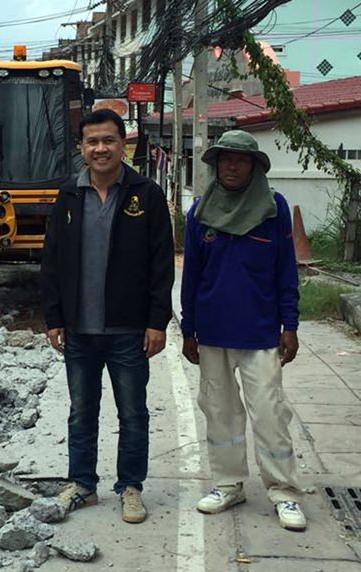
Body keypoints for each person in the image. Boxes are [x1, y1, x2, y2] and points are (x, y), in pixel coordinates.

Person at [41, 108, 174, 523]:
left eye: (109, 141)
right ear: (82, 147)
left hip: (128, 330)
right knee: (82, 411)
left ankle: (131, 486)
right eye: (92, 142)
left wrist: (157, 321)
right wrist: (54, 318)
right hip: (80, 329)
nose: (101, 149)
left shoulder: (145, 194)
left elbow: (161, 264)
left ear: (123, 144)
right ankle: (82, 484)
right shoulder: (68, 195)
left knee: (133, 411)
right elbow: (52, 262)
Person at [180, 130, 306, 531]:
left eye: (240, 159)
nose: (231, 166)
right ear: (215, 166)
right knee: (219, 412)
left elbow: (286, 269)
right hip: (213, 331)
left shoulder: (274, 208)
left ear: (254, 166)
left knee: (270, 413)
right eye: (224, 160)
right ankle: (228, 483)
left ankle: (283, 492)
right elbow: (193, 275)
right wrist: (188, 328)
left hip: (261, 331)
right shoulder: (201, 211)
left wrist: (290, 324)